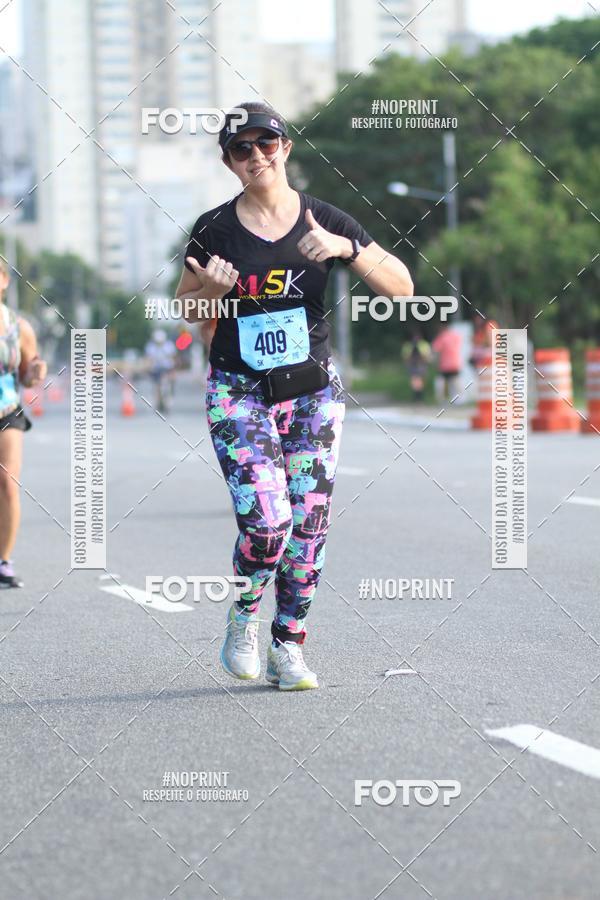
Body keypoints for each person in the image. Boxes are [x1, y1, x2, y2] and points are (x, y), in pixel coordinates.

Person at [176, 101, 413, 691]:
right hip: (240, 392)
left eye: (266, 143)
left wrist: (345, 250)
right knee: (268, 525)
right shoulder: (214, 229)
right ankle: (244, 617)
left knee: (309, 526)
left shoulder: (325, 219)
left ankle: (289, 644)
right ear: (229, 162)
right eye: (241, 148)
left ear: (285, 147)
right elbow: (188, 313)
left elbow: (403, 287)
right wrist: (210, 288)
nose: (257, 156)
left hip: (312, 393)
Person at [0, 258, 48, 587]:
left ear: (4, 280)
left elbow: (28, 374)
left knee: (7, 484)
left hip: (6, 411)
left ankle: (3, 560)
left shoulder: (19, 327)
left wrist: (35, 372)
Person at [144, 328, 176, 413]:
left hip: (167, 369)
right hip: (156, 370)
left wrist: (173, 371)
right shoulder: (150, 346)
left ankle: (167, 403)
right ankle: (158, 402)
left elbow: (173, 358)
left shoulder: (169, 345)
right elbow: (148, 359)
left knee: (168, 386)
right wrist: (148, 369)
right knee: (156, 387)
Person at [431, 322, 463, 402]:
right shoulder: (456, 335)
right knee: (455, 382)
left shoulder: (442, 337)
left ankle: (441, 399)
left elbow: (435, 350)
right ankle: (459, 400)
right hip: (456, 363)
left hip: (445, 365)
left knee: (440, 382)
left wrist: (434, 362)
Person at [403, 332, 432, 402]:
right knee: (416, 383)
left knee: (418, 383)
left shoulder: (421, 345)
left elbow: (427, 357)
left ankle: (418, 398)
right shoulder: (409, 345)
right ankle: (418, 398)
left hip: (420, 365)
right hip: (416, 366)